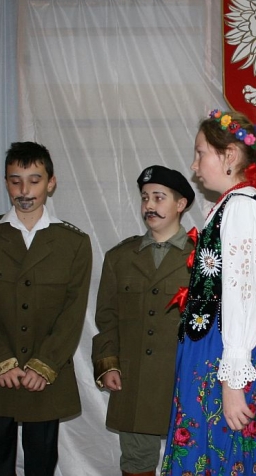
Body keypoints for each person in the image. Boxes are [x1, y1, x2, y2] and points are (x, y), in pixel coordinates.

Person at [161, 109, 256, 476]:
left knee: (222, 450)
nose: (194, 165)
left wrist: (234, 381)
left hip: (225, 351)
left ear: (229, 155)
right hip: (215, 346)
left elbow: (244, 295)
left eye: (201, 153)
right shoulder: (232, 206)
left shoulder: (242, 208)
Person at [0, 141, 92, 476]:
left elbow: (72, 314)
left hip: (45, 375)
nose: (24, 190)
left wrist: (45, 364)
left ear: (51, 183)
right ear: (6, 182)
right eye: (15, 180)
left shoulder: (73, 243)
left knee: (41, 463)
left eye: (34, 180)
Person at [92, 165, 197, 476]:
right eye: (145, 197)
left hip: (185, 378)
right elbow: (107, 317)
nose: (150, 205)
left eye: (159, 197)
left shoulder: (203, 258)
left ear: (181, 204)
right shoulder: (121, 257)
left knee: (192, 460)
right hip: (135, 379)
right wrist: (108, 363)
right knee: (136, 462)